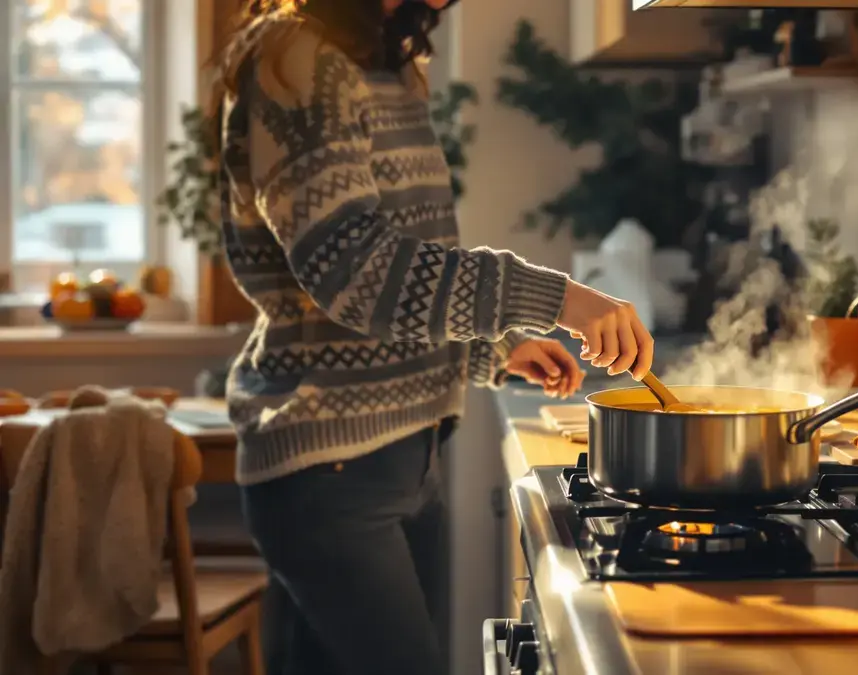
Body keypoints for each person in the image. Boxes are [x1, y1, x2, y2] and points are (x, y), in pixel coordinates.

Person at [213, 1, 654, 673]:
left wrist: (490, 348)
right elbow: (353, 269)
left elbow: (398, 274)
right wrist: (557, 299)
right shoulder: (294, 55)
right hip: (329, 465)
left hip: (408, 455)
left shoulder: (391, 63)